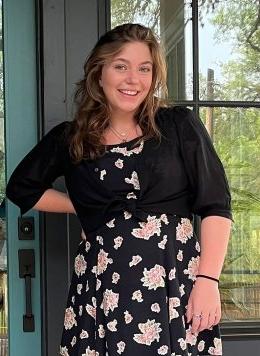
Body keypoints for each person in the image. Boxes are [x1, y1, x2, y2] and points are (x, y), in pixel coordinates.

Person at [6, 23, 232, 356]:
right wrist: (83, 206)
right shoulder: (72, 139)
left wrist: (208, 281)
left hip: (175, 285)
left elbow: (216, 206)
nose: (133, 79)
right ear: (100, 74)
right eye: (120, 66)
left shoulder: (178, 125)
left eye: (144, 68)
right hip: (102, 289)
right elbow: (21, 188)